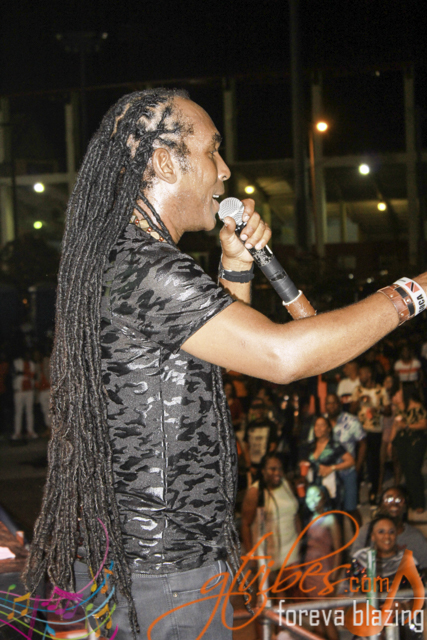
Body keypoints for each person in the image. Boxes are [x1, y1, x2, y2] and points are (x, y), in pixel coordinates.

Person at [23, 89, 427, 640]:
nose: (225, 170)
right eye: (212, 150)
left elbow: (220, 366)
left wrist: (234, 266)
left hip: (144, 562)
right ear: (166, 162)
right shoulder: (148, 267)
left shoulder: (127, 258)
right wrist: (414, 292)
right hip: (163, 575)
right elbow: (283, 356)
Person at [240, 453, 300, 588]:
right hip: (269, 558)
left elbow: (295, 514)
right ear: (263, 470)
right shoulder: (255, 492)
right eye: (272, 469)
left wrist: (299, 540)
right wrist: (251, 555)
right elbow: (245, 524)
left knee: (295, 594)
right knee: (274, 595)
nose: (277, 473)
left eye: (280, 469)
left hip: (292, 554)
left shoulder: (286, 484)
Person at [351, 486, 427, 568]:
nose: (394, 503)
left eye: (399, 500)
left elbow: (424, 568)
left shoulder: (415, 537)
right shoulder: (367, 531)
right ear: (380, 505)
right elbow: (355, 563)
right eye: (388, 499)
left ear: (405, 507)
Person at [303, 484, 341, 640]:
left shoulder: (330, 519)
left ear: (324, 498)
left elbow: (339, 550)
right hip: (309, 571)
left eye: (317, 495)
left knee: (325, 615)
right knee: (316, 616)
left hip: (324, 571)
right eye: (309, 496)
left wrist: (333, 577)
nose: (312, 500)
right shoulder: (308, 519)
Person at [350, 364, 391, 504]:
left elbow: (388, 411)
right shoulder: (358, 390)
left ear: (369, 375)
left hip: (375, 430)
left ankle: (373, 494)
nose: (360, 377)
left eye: (362, 374)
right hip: (360, 430)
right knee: (358, 462)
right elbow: (351, 410)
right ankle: (355, 495)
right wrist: (360, 400)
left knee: (373, 463)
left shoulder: (381, 390)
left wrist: (377, 409)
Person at [325, 393, 366, 524]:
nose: (331, 406)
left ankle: (359, 535)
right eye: (328, 403)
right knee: (332, 511)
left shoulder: (351, 420)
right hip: (328, 474)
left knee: (351, 509)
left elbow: (363, 443)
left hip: (347, 472)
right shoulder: (321, 422)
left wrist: (358, 467)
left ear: (340, 404)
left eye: (334, 403)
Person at [300, 416, 355, 508]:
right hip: (314, 485)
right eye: (316, 425)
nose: (318, 428)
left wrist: (332, 468)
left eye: (322, 425)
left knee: (331, 512)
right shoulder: (311, 446)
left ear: (329, 429)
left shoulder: (334, 445)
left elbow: (351, 461)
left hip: (330, 486)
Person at [389, 390, 427, 513]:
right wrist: (390, 443)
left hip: (415, 440)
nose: (395, 397)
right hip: (402, 441)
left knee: (413, 470)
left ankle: (419, 502)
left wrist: (406, 426)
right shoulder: (400, 409)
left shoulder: (417, 407)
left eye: (397, 394)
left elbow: (424, 424)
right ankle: (412, 500)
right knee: (406, 471)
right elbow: (395, 426)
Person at [11, 350, 37, 440]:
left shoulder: (32, 364)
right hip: (19, 391)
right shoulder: (16, 362)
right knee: (18, 412)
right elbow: (13, 373)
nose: (27, 355)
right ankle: (17, 433)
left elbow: (33, 375)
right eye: (26, 354)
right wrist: (24, 373)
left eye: (29, 354)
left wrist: (23, 373)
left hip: (29, 391)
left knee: (29, 411)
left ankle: (30, 431)